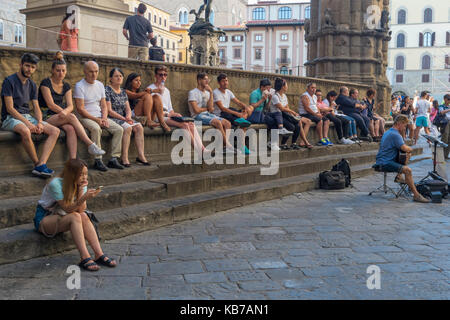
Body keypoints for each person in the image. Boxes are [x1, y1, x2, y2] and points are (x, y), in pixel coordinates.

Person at [34, 159, 117, 271]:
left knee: (82, 215)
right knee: (75, 216)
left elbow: (81, 209)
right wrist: (83, 198)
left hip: (62, 216)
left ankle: (99, 253)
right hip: (45, 219)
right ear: (72, 174)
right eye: (81, 174)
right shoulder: (55, 184)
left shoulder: (81, 184)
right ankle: (85, 257)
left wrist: (82, 190)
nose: (84, 177)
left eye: (86, 174)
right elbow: (67, 208)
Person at [1, 53, 60, 178]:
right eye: (27, 66)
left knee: (55, 131)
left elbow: (36, 107)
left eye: (33, 67)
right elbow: (10, 108)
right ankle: (37, 164)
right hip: (10, 118)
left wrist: (38, 122)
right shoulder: (9, 81)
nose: (30, 70)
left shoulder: (32, 85)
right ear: (20, 65)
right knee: (25, 131)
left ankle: (42, 163)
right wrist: (28, 124)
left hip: (27, 117)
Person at [39, 54, 105, 160]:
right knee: (72, 117)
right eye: (58, 70)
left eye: (63, 71)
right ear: (52, 70)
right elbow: (50, 104)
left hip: (60, 116)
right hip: (46, 117)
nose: (61, 73)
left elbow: (71, 105)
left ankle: (72, 160)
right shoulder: (45, 83)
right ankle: (90, 144)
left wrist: (65, 113)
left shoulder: (66, 86)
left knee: (70, 129)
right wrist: (65, 113)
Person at [74, 61, 124, 171]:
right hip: (85, 117)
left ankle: (114, 158)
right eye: (91, 72)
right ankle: (98, 160)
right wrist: (97, 120)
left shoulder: (100, 85)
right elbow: (80, 109)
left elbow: (104, 105)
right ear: (85, 72)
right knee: (96, 129)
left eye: (96, 71)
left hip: (100, 116)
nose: (94, 74)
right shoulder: (79, 86)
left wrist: (104, 118)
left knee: (119, 129)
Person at [147, 65, 207, 157]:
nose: (163, 77)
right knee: (184, 125)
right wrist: (168, 114)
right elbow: (151, 109)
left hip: (167, 115)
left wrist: (174, 114)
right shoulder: (151, 89)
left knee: (190, 124)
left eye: (165, 75)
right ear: (155, 76)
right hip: (157, 117)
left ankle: (203, 148)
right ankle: (199, 151)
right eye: (160, 75)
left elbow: (170, 108)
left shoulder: (166, 90)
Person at [374, 115, 429, 203]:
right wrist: (411, 149)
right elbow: (405, 148)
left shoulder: (389, 132)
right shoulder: (395, 134)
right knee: (408, 170)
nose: (404, 128)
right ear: (399, 124)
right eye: (404, 126)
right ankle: (416, 195)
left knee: (406, 155)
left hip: (382, 159)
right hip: (385, 162)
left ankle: (399, 176)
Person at [106, 68, 149, 167]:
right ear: (111, 79)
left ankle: (141, 156)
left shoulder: (123, 91)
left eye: (120, 76)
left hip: (123, 118)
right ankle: (124, 158)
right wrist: (124, 119)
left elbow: (128, 108)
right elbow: (109, 110)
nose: (119, 78)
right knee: (128, 127)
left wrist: (128, 117)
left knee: (139, 127)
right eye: (116, 76)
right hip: (112, 117)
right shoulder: (107, 90)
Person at [188, 73, 236, 153]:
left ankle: (224, 147)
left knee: (227, 123)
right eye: (205, 79)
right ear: (199, 80)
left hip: (207, 114)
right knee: (217, 122)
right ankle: (228, 145)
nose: (207, 81)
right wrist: (207, 109)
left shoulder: (207, 93)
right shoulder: (193, 92)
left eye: (208, 79)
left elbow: (211, 108)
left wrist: (210, 93)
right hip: (197, 116)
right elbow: (196, 110)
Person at [268, 78, 312, 150]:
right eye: (286, 85)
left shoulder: (284, 96)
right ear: (283, 86)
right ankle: (283, 143)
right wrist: (293, 112)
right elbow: (281, 108)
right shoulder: (275, 96)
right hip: (277, 116)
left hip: (284, 115)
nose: (287, 87)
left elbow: (286, 107)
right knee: (291, 127)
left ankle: (293, 143)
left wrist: (293, 115)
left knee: (297, 125)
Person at [438, 94, 450, 159]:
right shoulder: (441, 106)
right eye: (448, 99)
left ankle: (446, 155)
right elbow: (441, 112)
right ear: (445, 99)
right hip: (445, 123)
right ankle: (441, 155)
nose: (449, 101)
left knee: (449, 139)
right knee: (445, 138)